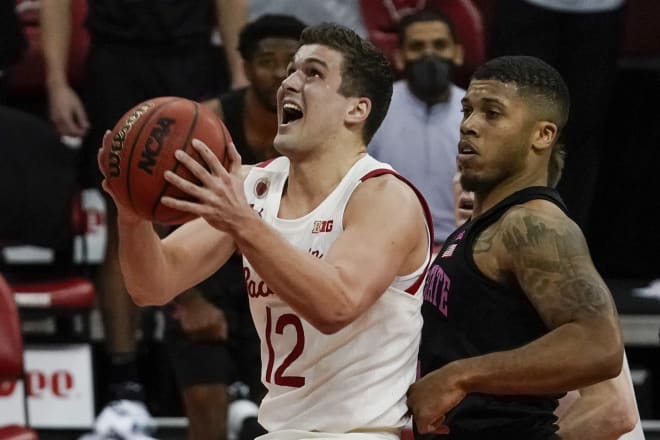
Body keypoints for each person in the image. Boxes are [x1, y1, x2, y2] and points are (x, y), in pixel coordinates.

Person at [104, 22, 432, 440]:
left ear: (356, 109)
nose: (288, 81)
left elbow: (336, 305)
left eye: (312, 73)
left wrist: (243, 224)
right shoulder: (252, 187)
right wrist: (132, 214)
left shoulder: (384, 197)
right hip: (281, 430)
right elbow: (152, 286)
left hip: (363, 432)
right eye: (292, 71)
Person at [40, 0, 247, 417]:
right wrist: (56, 82)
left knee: (213, 214)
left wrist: (239, 73)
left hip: (192, 57)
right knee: (124, 219)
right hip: (119, 60)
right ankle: (124, 383)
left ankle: (231, 366)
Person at [408, 55, 624, 439]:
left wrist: (461, 377)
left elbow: (599, 345)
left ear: (542, 134)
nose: (469, 125)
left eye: (492, 113)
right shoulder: (477, 227)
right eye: (468, 110)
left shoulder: (533, 224)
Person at [165, 14, 306, 440]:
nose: (280, 73)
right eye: (267, 61)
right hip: (211, 279)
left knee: (279, 425)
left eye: (291, 63)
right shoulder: (205, 124)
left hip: (282, 282)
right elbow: (162, 213)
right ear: (243, 66)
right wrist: (189, 301)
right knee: (206, 408)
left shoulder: (320, 131)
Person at [450, 181, 641, 440]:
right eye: (463, 171)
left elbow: (614, 409)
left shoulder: (544, 267)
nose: (468, 186)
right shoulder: (469, 272)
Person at [489, 0, 627, 231]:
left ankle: (562, 244)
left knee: (580, 139)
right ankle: (493, 240)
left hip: (599, 13)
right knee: (510, 127)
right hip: (528, 10)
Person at [369, 10, 464, 247]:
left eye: (440, 45)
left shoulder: (477, 112)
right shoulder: (372, 109)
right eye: (417, 47)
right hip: (385, 247)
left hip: (460, 248)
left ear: (458, 53)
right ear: (400, 57)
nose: (429, 55)